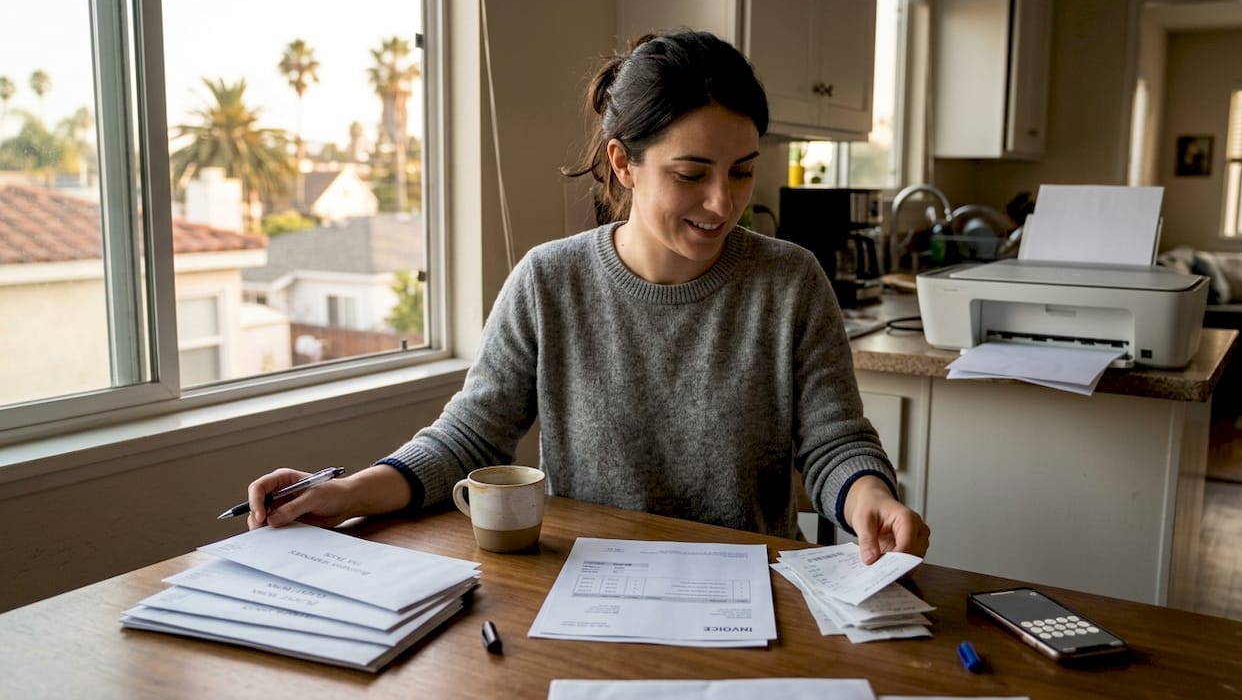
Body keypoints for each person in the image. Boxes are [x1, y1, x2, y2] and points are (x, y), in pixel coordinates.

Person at [245, 31, 930, 565]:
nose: (723, 203)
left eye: (742, 172)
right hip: (585, 585)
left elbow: (834, 439)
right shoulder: (549, 282)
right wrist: (341, 493)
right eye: (692, 174)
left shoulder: (790, 282)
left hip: (750, 597)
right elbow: (470, 438)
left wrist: (871, 496)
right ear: (622, 163)